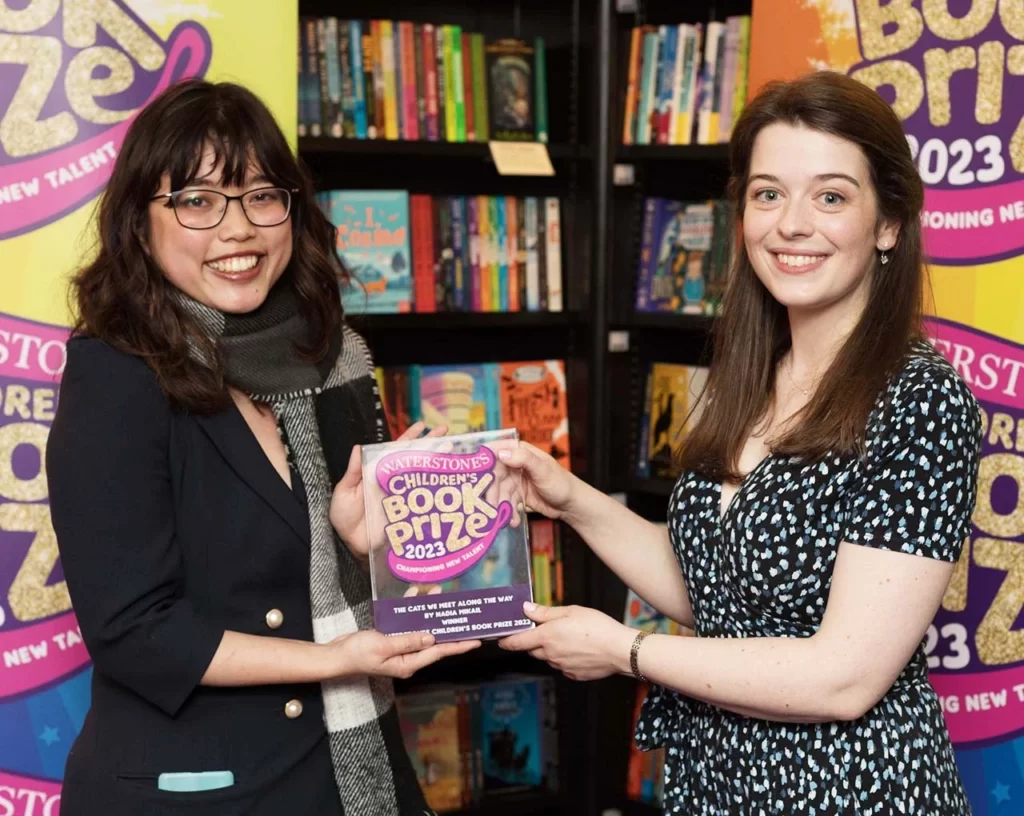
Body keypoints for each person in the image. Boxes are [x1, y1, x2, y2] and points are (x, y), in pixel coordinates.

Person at [498, 70, 981, 814]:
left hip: (848, 792)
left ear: (887, 224)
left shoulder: (919, 402)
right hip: (715, 782)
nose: (791, 223)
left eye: (830, 196)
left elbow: (844, 678)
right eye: (767, 193)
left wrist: (626, 651)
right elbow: (717, 592)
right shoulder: (756, 374)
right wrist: (567, 500)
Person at [46, 79, 478, 816]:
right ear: (139, 221)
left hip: (352, 774)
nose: (238, 229)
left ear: (292, 208)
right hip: (199, 790)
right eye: (198, 200)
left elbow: (379, 601)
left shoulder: (336, 358)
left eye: (260, 196)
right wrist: (333, 661)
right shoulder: (116, 375)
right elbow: (134, 632)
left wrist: (368, 545)